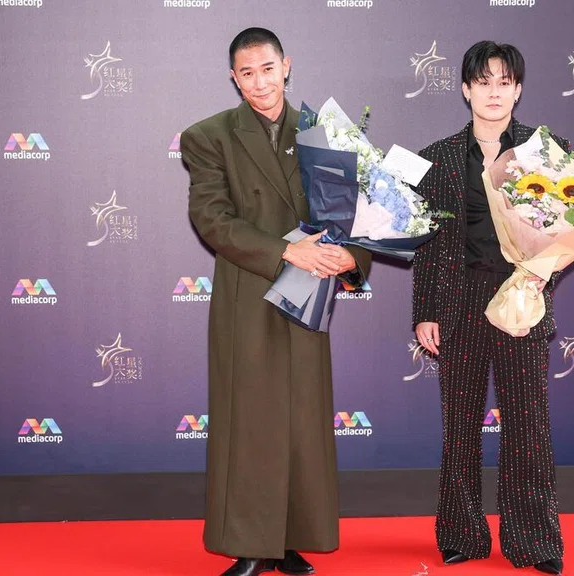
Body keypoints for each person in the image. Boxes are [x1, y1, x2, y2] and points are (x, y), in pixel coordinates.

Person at [182, 27, 371, 576]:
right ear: (234, 79)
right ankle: (250, 544)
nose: (260, 83)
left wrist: (350, 258)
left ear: (286, 65)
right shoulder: (208, 136)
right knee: (251, 421)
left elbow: (359, 212)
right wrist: (290, 254)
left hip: (310, 297)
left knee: (302, 420)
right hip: (251, 291)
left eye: (268, 69)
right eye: (247, 73)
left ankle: (292, 538)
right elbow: (212, 219)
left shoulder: (325, 132)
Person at [412, 41, 572, 575]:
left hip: (520, 300)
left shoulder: (546, 152)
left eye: (505, 81)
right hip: (458, 304)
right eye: (484, 81)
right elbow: (428, 244)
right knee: (459, 425)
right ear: (465, 89)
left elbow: (562, 235)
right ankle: (461, 534)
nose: (494, 92)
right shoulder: (436, 157)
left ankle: (535, 542)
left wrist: (537, 276)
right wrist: (425, 311)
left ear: (519, 89)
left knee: (528, 423)